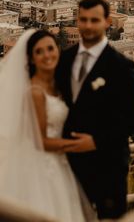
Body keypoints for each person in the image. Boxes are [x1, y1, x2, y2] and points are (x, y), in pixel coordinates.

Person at [56, 0, 134, 220]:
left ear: (107, 22)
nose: (87, 26)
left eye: (94, 20)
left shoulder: (120, 66)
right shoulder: (65, 60)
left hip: (108, 162)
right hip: (70, 163)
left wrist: (96, 141)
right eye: (83, 19)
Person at [0, 29, 93, 221]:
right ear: (32, 59)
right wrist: (77, 145)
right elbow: (40, 141)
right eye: (39, 52)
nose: (46, 55)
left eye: (50, 49)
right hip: (42, 165)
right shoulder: (35, 92)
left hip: (58, 162)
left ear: (58, 50)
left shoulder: (56, 86)